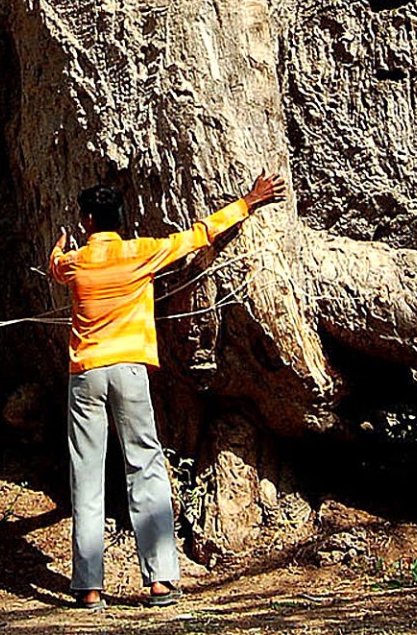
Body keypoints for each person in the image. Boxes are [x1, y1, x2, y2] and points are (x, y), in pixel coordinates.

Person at [49, 172, 283, 608]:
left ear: (86, 221)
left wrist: (61, 246)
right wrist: (248, 200)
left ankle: (89, 587)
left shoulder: (76, 261)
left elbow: (55, 266)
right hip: (131, 372)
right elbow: (199, 235)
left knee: (87, 474)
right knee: (145, 465)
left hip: (86, 375)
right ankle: (160, 581)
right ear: (121, 220)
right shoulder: (141, 252)